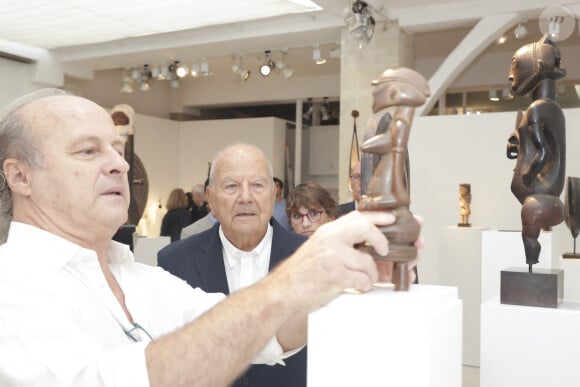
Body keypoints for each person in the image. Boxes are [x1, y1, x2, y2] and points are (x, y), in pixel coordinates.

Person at [0, 88, 418, 387]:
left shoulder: (139, 278)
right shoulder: (12, 287)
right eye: (88, 151)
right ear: (20, 176)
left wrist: (346, 274)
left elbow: (256, 333)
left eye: (115, 148)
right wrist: (298, 277)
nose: (119, 165)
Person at [158, 143, 308, 387]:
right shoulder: (174, 262)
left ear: (274, 194)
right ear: (210, 199)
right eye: (231, 186)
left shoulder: (308, 258)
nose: (246, 197)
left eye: (257, 185)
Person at [506, 34, 566, 269]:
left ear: (538, 69)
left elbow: (544, 152)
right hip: (546, 194)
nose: (511, 76)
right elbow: (540, 148)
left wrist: (529, 175)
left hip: (540, 198)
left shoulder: (538, 109)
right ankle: (532, 259)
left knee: (528, 229)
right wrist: (518, 142)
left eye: (516, 68)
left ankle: (532, 258)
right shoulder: (551, 108)